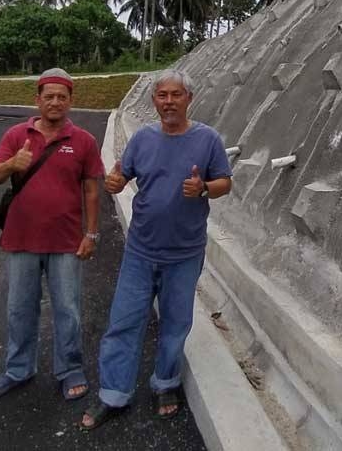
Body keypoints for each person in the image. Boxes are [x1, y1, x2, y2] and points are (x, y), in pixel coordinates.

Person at [80, 69, 232, 430]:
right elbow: (121, 177)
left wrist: (204, 189)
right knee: (123, 321)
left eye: (175, 95)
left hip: (185, 251)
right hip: (141, 250)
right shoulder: (143, 139)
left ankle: (165, 383)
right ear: (154, 101)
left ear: (189, 99)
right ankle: (113, 394)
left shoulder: (207, 139)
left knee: (176, 322)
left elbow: (225, 182)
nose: (168, 101)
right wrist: (114, 183)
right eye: (162, 95)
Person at [0, 68, 103, 403]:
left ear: (70, 101)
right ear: (37, 100)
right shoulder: (16, 135)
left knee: (68, 309)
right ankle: (18, 369)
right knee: (20, 308)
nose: (55, 102)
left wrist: (91, 233)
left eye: (62, 96)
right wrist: (10, 165)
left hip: (65, 240)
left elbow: (92, 189)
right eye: (48, 96)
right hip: (21, 238)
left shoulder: (84, 141)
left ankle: (70, 368)